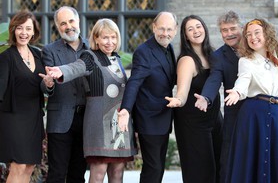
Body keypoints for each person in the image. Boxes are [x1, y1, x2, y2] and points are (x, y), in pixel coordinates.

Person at [44, 18, 137, 183]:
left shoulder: (118, 59)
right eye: (105, 37)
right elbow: (75, 67)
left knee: (117, 172)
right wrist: (60, 71)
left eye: (113, 37)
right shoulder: (90, 57)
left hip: (119, 124)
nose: (110, 42)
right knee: (99, 172)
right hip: (99, 123)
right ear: (96, 39)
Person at [224, 18, 278, 183]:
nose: (253, 37)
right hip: (253, 115)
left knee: (274, 158)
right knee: (250, 161)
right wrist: (237, 93)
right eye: (248, 35)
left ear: (267, 33)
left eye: (257, 32)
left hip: (274, 115)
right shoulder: (246, 61)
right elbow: (243, 81)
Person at [118, 11, 178, 183]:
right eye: (161, 29)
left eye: (169, 29)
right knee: (153, 167)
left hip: (163, 116)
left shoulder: (169, 47)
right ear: (153, 27)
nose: (165, 33)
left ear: (174, 31)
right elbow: (134, 82)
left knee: (158, 166)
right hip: (149, 118)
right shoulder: (144, 51)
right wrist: (126, 109)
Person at [165, 15, 223, 183]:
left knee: (221, 167)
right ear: (185, 36)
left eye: (198, 26)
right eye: (190, 29)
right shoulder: (187, 60)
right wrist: (179, 100)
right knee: (202, 172)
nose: (196, 31)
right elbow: (182, 92)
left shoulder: (213, 56)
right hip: (193, 123)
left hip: (214, 119)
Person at [194, 10, 244, 182]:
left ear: (241, 28)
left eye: (232, 28)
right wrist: (206, 97)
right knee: (228, 162)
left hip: (258, 112)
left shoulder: (255, 48)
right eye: (224, 30)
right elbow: (214, 79)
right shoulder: (218, 56)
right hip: (234, 115)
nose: (229, 33)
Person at [41, 6, 88, 183]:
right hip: (60, 120)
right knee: (57, 174)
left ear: (78, 22)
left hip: (86, 120)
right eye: (63, 23)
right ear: (58, 27)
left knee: (78, 174)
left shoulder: (92, 47)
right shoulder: (49, 50)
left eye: (71, 21)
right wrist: (47, 84)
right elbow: (45, 85)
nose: (68, 26)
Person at [0, 11, 46, 183]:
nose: (24, 32)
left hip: (34, 116)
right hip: (13, 117)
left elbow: (45, 84)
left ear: (34, 32)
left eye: (28, 28)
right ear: (13, 30)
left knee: (29, 166)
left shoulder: (39, 55)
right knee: (18, 165)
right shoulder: (6, 57)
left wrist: (49, 83)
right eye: (19, 28)